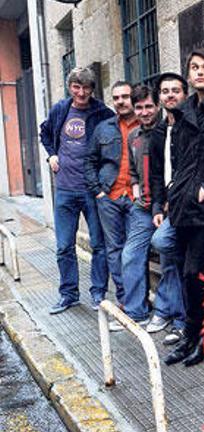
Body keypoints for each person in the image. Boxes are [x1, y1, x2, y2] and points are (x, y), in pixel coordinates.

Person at [162, 48, 204, 366]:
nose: (200, 72)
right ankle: (191, 335)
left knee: (197, 273)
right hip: (183, 205)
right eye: (194, 68)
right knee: (187, 275)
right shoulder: (185, 109)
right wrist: (175, 191)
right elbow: (178, 158)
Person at [40, 67, 113, 314]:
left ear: (92, 89)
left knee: (99, 245)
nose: (81, 92)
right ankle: (69, 295)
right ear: (70, 87)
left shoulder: (102, 113)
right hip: (65, 190)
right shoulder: (60, 109)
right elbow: (45, 132)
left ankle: (98, 294)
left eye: (86, 88)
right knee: (63, 246)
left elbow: (113, 143)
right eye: (76, 87)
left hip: (92, 191)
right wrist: (51, 155)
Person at [83, 81, 150, 326]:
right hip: (109, 197)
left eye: (125, 96)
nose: (120, 101)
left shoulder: (145, 125)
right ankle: (125, 299)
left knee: (135, 252)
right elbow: (89, 161)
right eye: (116, 97)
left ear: (134, 98)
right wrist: (98, 192)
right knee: (114, 250)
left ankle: (138, 302)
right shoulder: (103, 128)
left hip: (136, 199)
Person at [146, 72, 189, 341]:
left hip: (189, 207)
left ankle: (174, 314)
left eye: (175, 90)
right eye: (165, 91)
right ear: (159, 98)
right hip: (170, 208)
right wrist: (157, 208)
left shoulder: (190, 127)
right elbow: (156, 175)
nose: (170, 94)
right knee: (170, 256)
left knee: (170, 251)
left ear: (184, 94)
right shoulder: (159, 132)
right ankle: (175, 316)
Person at [117, 84, 161, 332]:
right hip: (141, 207)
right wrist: (134, 187)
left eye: (148, 106)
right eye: (139, 107)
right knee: (130, 255)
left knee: (168, 255)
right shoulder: (134, 136)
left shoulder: (166, 133)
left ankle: (166, 312)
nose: (144, 112)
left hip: (164, 208)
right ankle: (136, 313)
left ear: (157, 107)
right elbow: (134, 170)